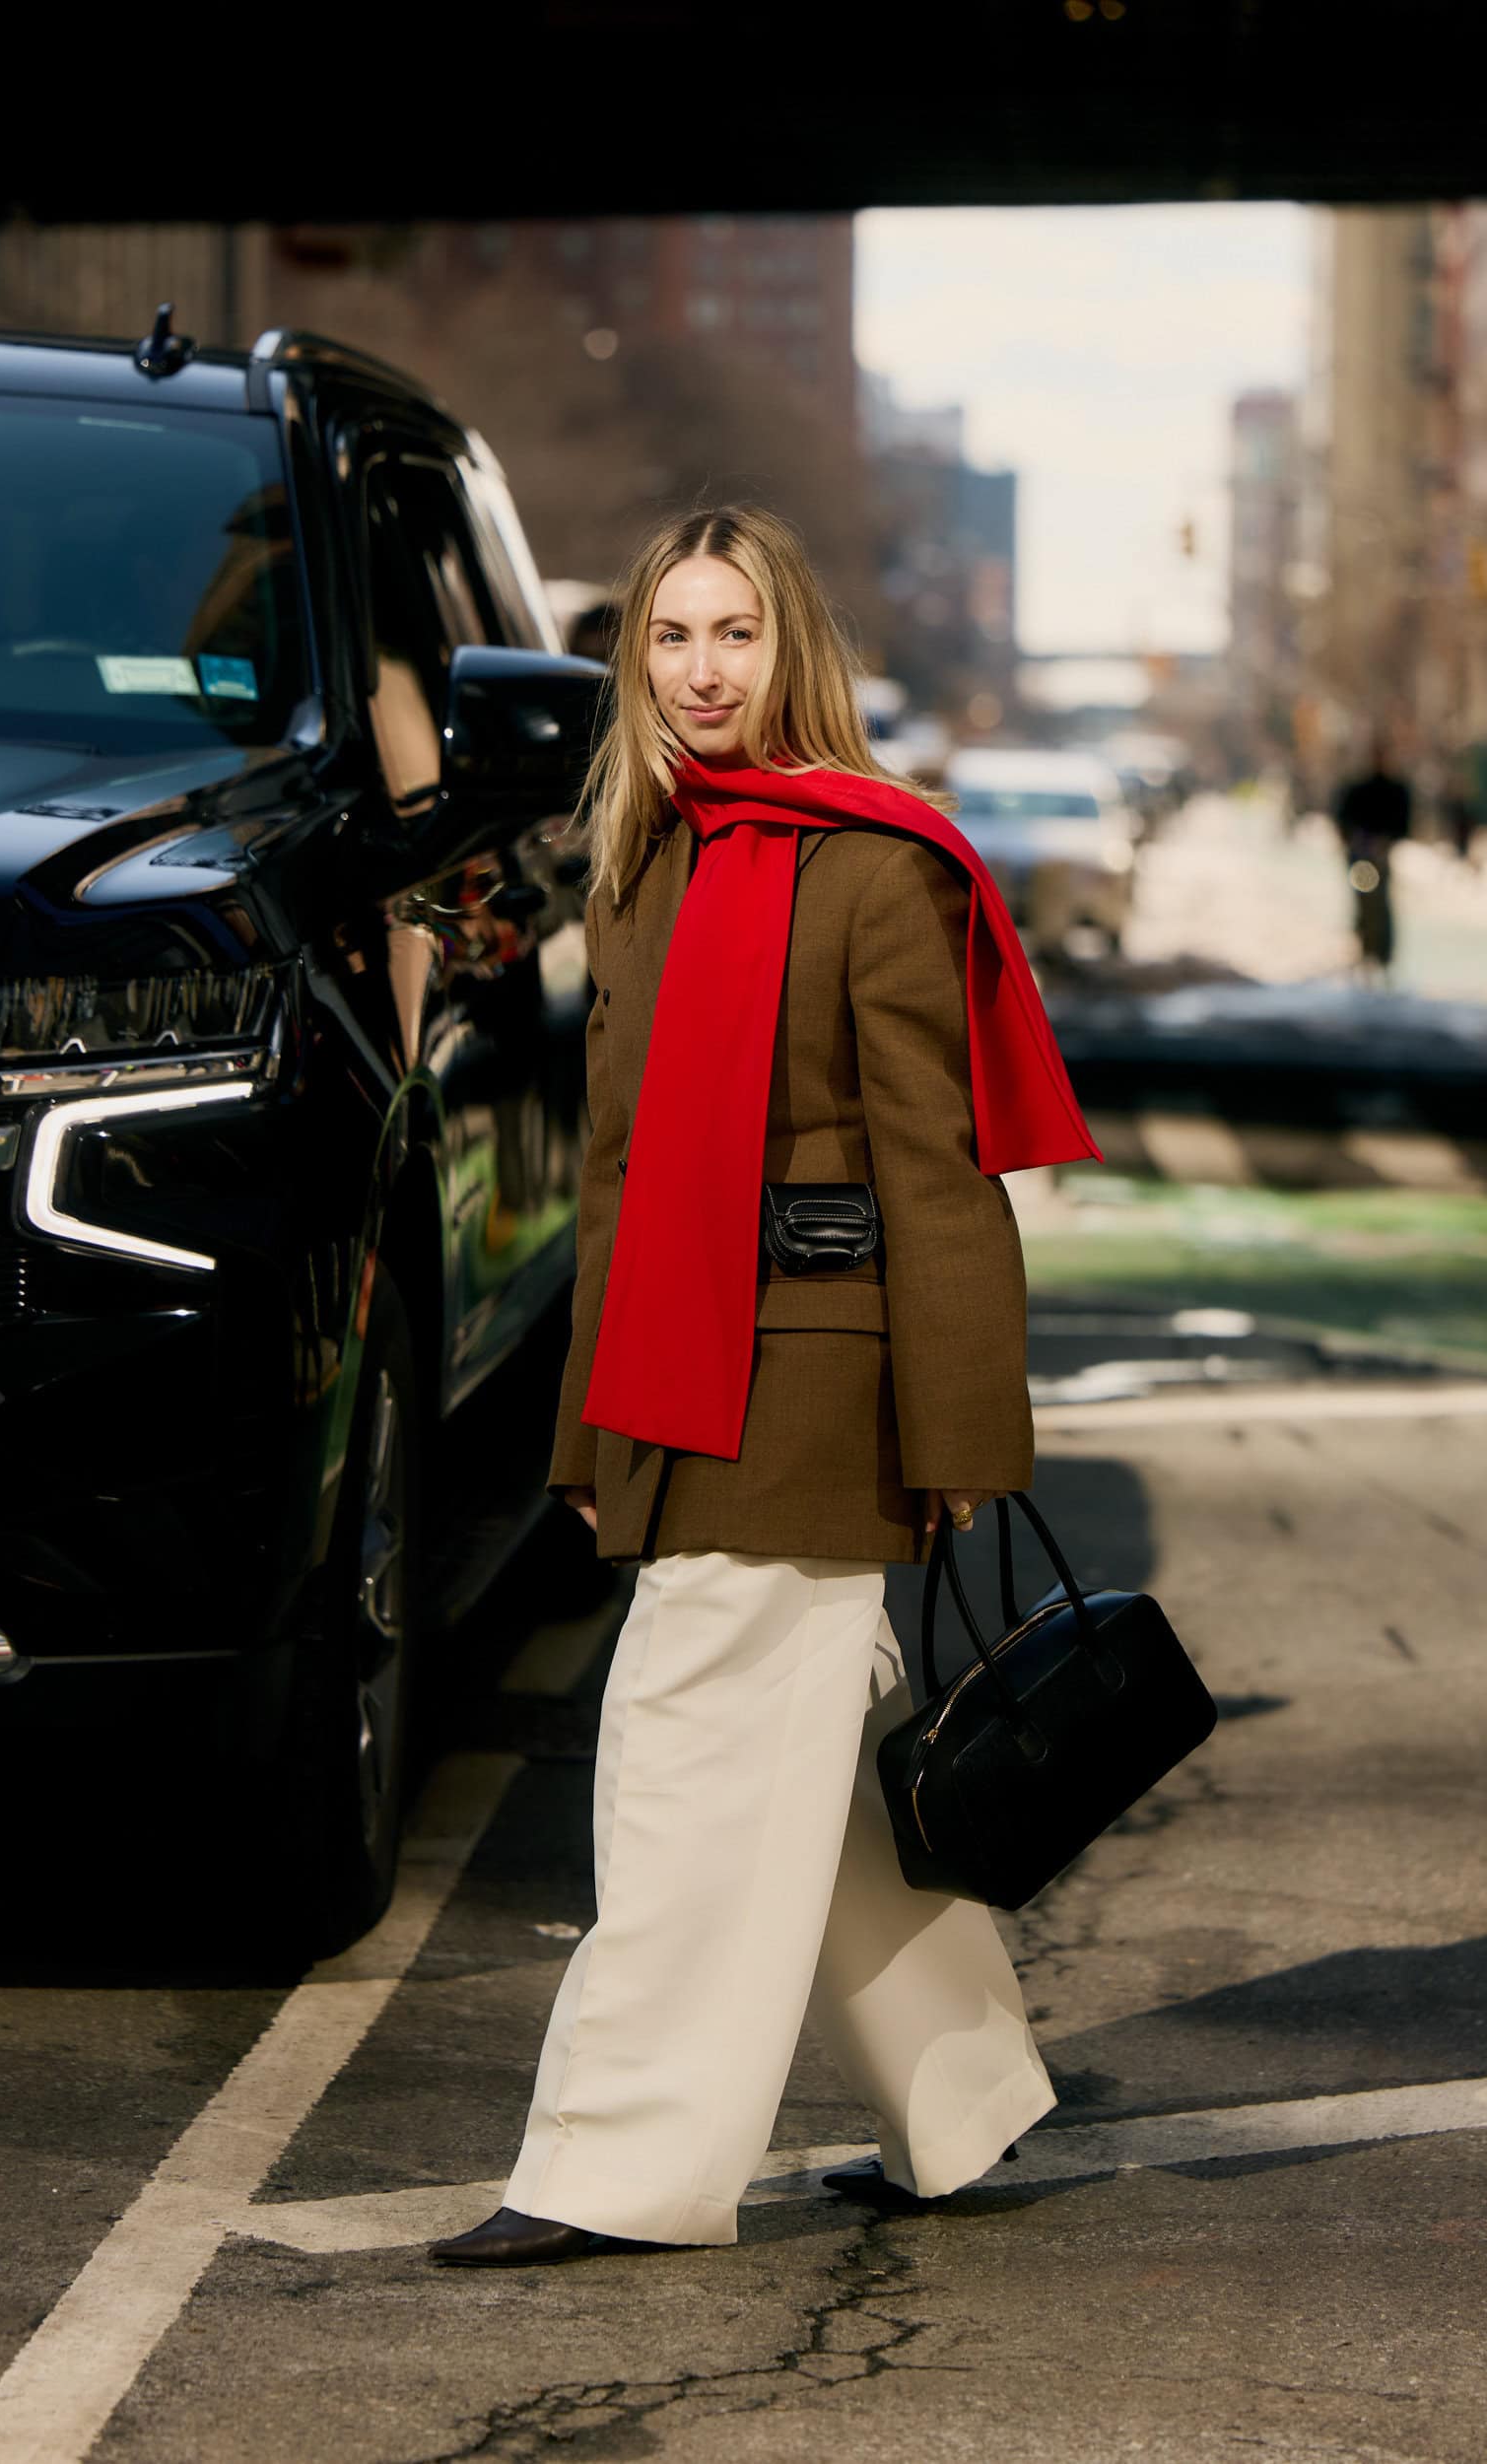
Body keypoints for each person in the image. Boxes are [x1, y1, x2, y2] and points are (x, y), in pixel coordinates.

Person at [430, 506, 1100, 2270]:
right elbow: (621, 1173)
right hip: (671, 1374)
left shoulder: (874, 865)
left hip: (813, 1383)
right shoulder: (643, 862)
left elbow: (934, 1171)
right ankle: (965, 2104)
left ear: (787, 649)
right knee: (813, 1763)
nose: (703, 671)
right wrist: (588, 1431)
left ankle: (615, 2167)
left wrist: (958, 1432)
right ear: (635, 660)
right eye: (670, 639)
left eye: (734, 636)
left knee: (681, 1765)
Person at [1335, 739, 1412, 979]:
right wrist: (1356, 842)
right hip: (1361, 857)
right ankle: (1366, 951)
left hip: (1380, 856)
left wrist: (1384, 843)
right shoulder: (1359, 789)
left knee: (1380, 906)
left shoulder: (1394, 789)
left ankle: (1382, 956)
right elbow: (1344, 823)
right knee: (1365, 904)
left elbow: (1403, 825)